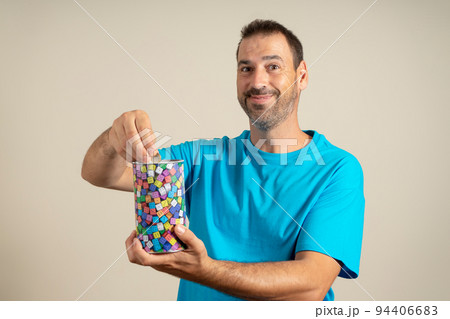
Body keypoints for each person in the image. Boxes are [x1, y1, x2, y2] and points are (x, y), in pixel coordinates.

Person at [81, 19, 365, 301]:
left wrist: (205, 270)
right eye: (246, 68)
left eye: (273, 66)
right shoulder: (202, 159)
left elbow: (311, 285)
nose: (257, 81)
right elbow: (100, 174)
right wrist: (113, 138)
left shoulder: (337, 169)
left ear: (301, 76)